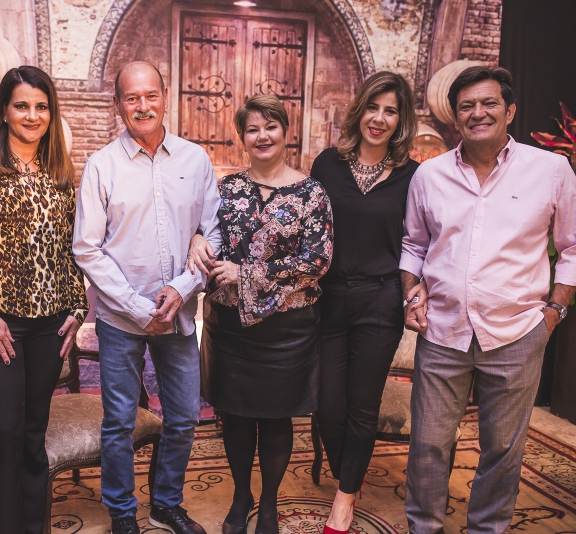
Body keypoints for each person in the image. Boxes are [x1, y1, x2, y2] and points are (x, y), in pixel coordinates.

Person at [401, 66, 576, 533]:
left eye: (489, 103)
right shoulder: (430, 175)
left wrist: (554, 313)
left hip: (518, 332)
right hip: (442, 331)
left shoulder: (551, 170)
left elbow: (572, 247)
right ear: (455, 117)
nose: (477, 112)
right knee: (428, 445)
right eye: (467, 106)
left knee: (502, 449)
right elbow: (414, 245)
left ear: (509, 110)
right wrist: (409, 295)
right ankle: (424, 527)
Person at [72, 61, 221, 534]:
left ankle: (166, 503)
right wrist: (139, 307)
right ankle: (121, 512)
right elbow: (86, 249)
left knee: (184, 416)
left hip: (179, 316)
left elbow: (214, 232)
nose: (143, 106)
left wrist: (180, 288)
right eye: (132, 97)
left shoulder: (195, 160)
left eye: (150, 95)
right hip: (121, 320)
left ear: (165, 96)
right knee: (119, 422)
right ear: (118, 104)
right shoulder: (102, 166)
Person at [186, 94, 333, 534]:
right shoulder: (225, 189)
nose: (262, 136)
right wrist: (196, 238)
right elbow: (201, 229)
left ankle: (268, 502)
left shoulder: (311, 193)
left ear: (286, 132)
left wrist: (248, 272)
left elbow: (317, 261)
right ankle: (240, 495)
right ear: (243, 138)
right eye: (252, 129)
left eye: (270, 127)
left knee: (275, 417)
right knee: (234, 414)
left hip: (287, 329)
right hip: (229, 326)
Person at [0, 66, 88, 534]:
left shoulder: (60, 171)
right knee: (4, 430)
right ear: (5, 111)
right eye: (22, 106)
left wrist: (77, 308)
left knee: (33, 432)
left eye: (41, 107)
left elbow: (70, 248)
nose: (32, 116)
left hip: (50, 323)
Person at [309, 72, 423, 534]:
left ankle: (344, 498)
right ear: (360, 110)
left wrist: (418, 289)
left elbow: (421, 241)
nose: (379, 118)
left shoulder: (414, 176)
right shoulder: (327, 164)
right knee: (326, 404)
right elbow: (307, 230)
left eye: (390, 110)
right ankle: (349, 475)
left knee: (362, 405)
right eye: (373, 107)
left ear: (401, 120)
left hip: (380, 301)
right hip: (328, 299)